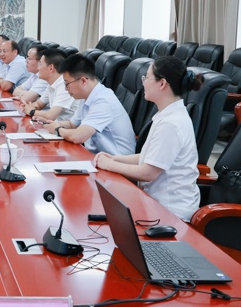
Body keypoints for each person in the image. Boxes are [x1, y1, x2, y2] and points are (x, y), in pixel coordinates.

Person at [93, 56, 202, 221]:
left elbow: (148, 172)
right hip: (154, 204)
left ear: (162, 83)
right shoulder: (168, 114)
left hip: (171, 214)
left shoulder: (171, 123)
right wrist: (115, 158)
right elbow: (149, 157)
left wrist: (109, 165)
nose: (143, 83)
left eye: (147, 78)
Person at [43, 54, 135, 155]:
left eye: (67, 83)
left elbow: (78, 136)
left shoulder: (103, 101)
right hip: (96, 156)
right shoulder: (86, 96)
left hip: (116, 160)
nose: (65, 88)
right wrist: (49, 124)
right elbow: (72, 125)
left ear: (83, 81)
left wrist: (57, 129)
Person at [26, 47, 78, 123]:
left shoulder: (64, 85)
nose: (38, 68)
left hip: (67, 128)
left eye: (40, 64)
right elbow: (39, 104)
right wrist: (26, 107)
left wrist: (31, 111)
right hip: (56, 125)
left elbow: (51, 116)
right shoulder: (52, 83)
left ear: (51, 68)